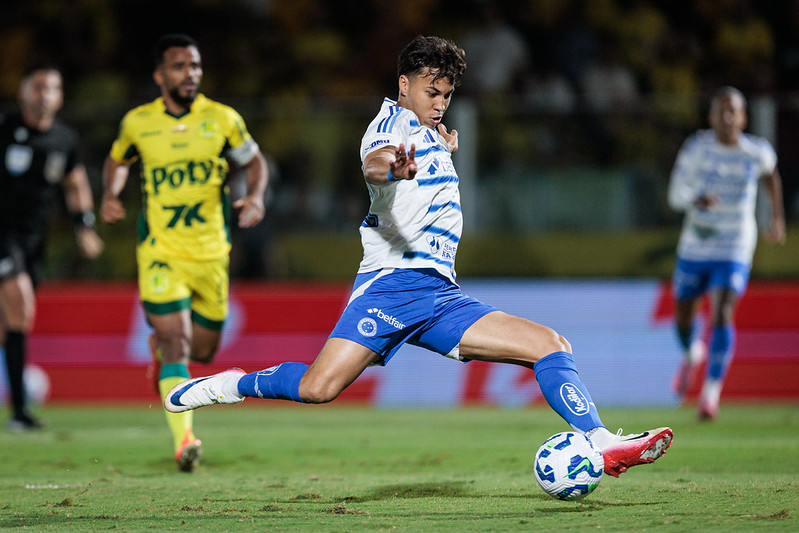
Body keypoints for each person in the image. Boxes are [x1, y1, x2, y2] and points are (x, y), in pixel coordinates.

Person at [165, 35, 673, 477]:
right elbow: (375, 163)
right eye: (432, 92)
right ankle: (231, 385)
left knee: (548, 342)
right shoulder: (391, 126)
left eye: (448, 95)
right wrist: (394, 169)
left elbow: (418, 175)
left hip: (439, 294)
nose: (440, 103)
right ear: (403, 84)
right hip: (390, 286)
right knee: (320, 388)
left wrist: (437, 152)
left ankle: (603, 443)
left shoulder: (431, 136)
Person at [101, 34, 268, 472]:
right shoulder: (139, 122)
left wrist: (256, 197)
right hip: (160, 251)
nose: (189, 73)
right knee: (178, 344)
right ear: (160, 75)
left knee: (206, 353)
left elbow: (254, 162)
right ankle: (186, 441)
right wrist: (111, 193)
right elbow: (118, 159)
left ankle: (163, 354)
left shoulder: (223, 119)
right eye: (179, 66)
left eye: (194, 66)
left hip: (212, 254)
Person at [668, 86, 786, 421]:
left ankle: (710, 395)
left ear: (744, 117)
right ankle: (692, 352)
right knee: (683, 318)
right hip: (696, 244)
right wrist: (696, 200)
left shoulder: (756, 151)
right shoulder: (696, 149)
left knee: (722, 312)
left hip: (735, 244)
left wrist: (776, 218)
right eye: (720, 111)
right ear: (711, 117)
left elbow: (771, 175)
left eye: (733, 111)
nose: (727, 117)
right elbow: (675, 195)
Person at [0, 64, 104, 431]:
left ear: (60, 97)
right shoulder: (5, 128)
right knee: (21, 304)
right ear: (23, 92)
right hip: (3, 235)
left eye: (52, 88)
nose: (44, 93)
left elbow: (76, 184)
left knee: (11, 323)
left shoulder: (64, 139)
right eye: (37, 86)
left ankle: (17, 409)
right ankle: (20, 412)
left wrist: (84, 226)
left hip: (34, 241)